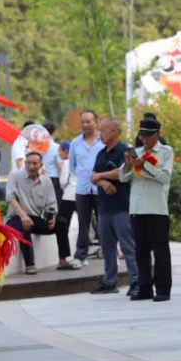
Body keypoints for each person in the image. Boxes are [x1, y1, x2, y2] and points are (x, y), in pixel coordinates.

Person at [120, 117, 174, 301]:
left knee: (160, 251)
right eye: (142, 135)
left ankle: (163, 288)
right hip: (137, 207)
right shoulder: (137, 151)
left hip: (156, 208)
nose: (144, 139)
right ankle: (144, 287)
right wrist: (128, 164)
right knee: (140, 250)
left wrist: (144, 165)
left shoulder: (165, 152)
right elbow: (123, 178)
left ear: (157, 134)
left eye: (148, 136)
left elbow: (164, 177)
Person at [90, 118, 139, 294]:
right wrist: (103, 183)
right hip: (104, 207)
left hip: (123, 206)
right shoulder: (101, 153)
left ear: (114, 132)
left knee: (128, 246)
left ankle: (136, 281)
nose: (100, 133)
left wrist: (100, 177)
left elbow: (124, 172)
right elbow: (93, 176)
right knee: (107, 247)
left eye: (103, 130)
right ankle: (109, 281)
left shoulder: (126, 150)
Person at [6, 152, 73, 274]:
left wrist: (51, 215)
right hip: (17, 217)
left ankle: (63, 260)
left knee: (61, 222)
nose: (31, 166)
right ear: (25, 163)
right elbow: (11, 198)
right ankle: (29, 264)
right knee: (24, 225)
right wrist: (23, 216)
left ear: (41, 165)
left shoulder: (46, 181)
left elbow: (52, 203)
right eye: (28, 163)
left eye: (34, 163)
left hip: (37, 218)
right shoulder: (14, 176)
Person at [68, 110, 103, 268]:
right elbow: (73, 167)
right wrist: (84, 177)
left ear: (96, 122)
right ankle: (80, 256)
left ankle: (110, 252)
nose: (85, 125)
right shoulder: (75, 143)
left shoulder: (103, 141)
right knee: (83, 224)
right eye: (82, 122)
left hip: (101, 188)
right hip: (82, 190)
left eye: (88, 121)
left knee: (104, 222)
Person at [56, 141, 77, 232]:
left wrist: (62, 187)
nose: (59, 154)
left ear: (66, 151)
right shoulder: (78, 160)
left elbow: (63, 181)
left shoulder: (67, 163)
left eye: (60, 151)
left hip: (68, 196)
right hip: (80, 195)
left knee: (63, 222)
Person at [42, 123, 61, 195]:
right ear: (53, 133)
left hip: (42, 179)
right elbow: (60, 167)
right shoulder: (57, 148)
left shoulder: (38, 147)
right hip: (54, 180)